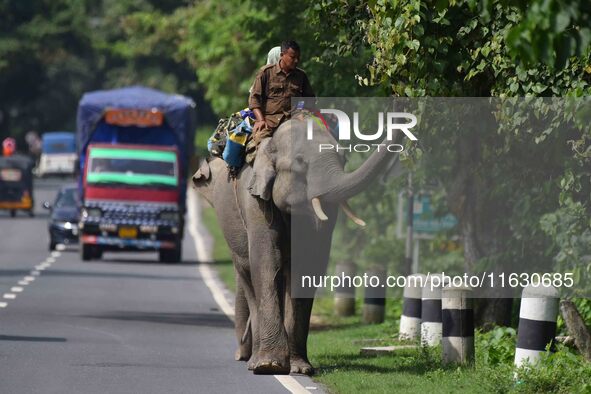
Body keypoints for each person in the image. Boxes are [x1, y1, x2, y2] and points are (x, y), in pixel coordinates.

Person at [248, 40, 315, 143]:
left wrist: (301, 109)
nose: (296, 61)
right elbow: (254, 99)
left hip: (295, 120)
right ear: (282, 55)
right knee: (260, 139)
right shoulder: (266, 72)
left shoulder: (301, 76)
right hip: (270, 121)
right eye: (293, 57)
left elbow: (309, 99)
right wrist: (261, 120)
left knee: (316, 139)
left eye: (298, 57)